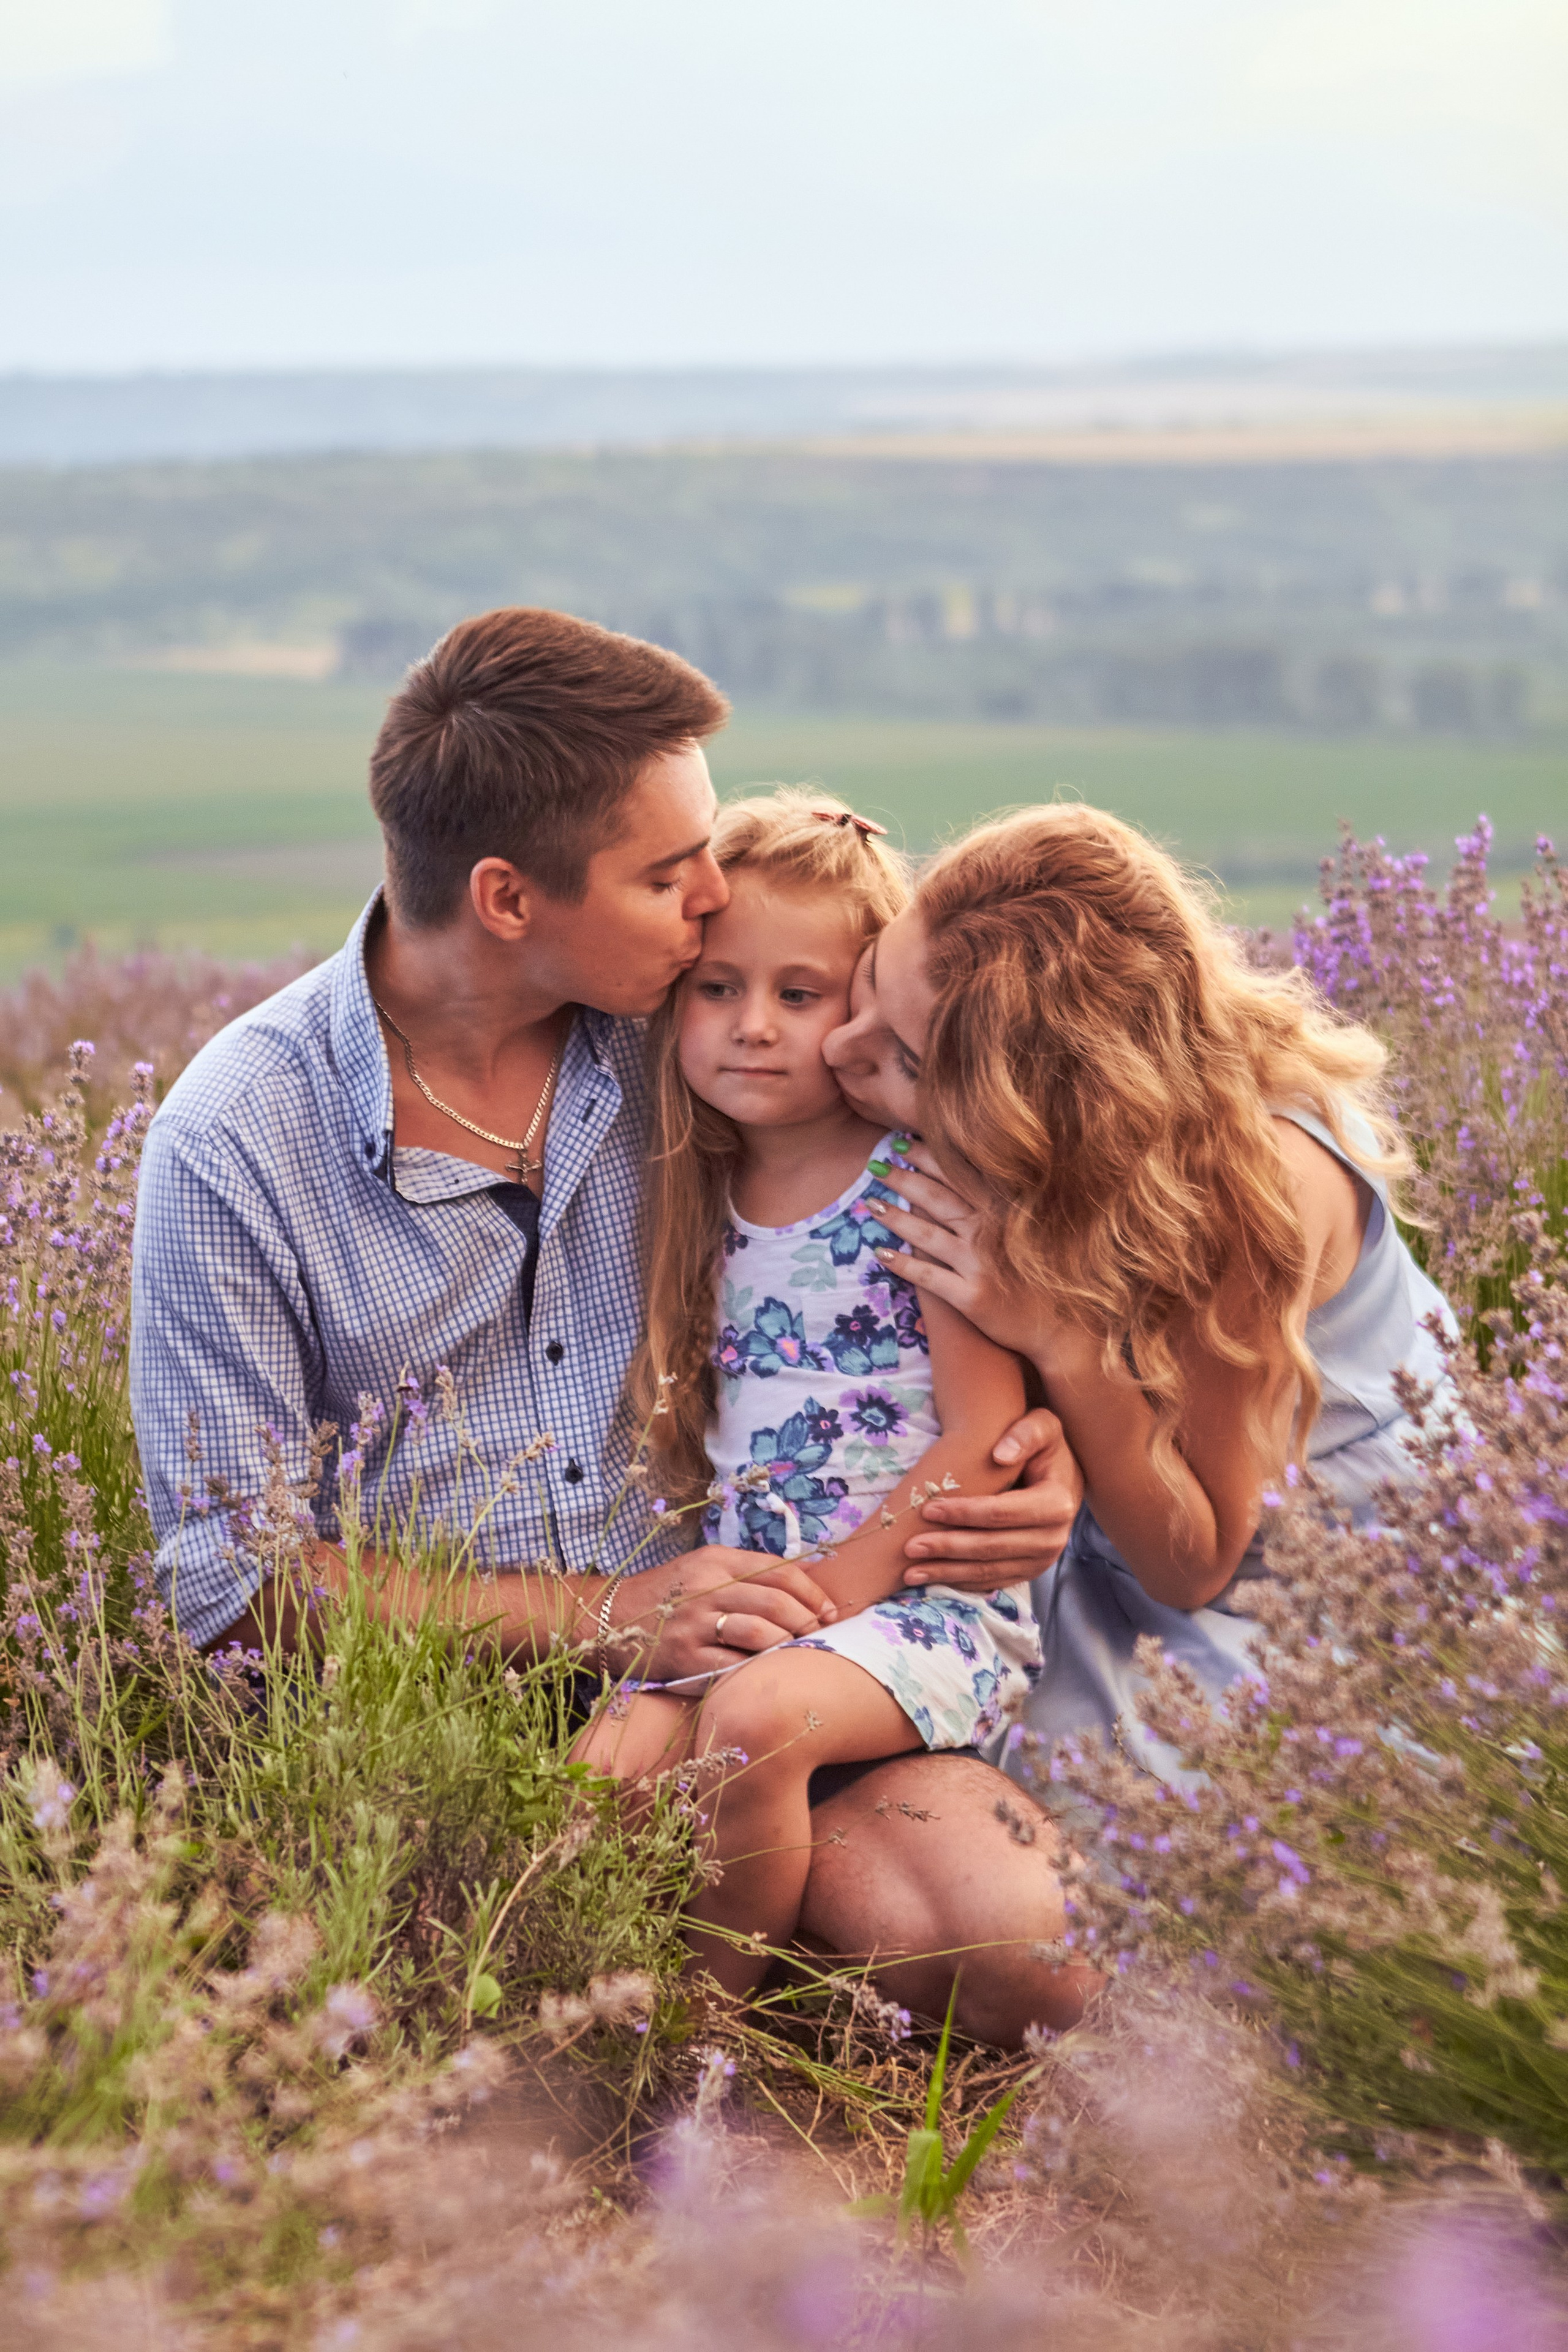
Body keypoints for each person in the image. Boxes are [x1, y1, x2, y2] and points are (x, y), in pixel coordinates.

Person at [129, 607, 1088, 2044]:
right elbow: (228, 1581)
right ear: (510, 901)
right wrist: (609, 1617)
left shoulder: (691, 1034)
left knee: (997, 1949)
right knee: (455, 1966)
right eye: (666, 874)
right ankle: (654, 2010)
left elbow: (979, 1179)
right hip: (457, 1700)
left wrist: (1034, 1446)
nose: (712, 899)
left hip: (776, 1639)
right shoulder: (238, 1140)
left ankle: (728, 1938)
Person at [824, 802, 1459, 1781]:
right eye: (869, 982)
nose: (840, 1048)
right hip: (1100, 1525)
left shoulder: (1253, 1193)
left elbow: (1193, 1562)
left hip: (1293, 1598)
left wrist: (1057, 1343)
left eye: (907, 1062)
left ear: (1040, 1114)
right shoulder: (1076, 1131)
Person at [575, 792, 1044, 1999]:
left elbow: (988, 1428)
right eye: (718, 989)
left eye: (800, 995)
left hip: (914, 1602)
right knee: (604, 1771)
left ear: (870, 1011)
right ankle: (614, 2007)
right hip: (754, 1604)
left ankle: (709, 2038)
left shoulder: (916, 1184)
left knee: (750, 1725)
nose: (752, 1029)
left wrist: (840, 1586)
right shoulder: (697, 1188)